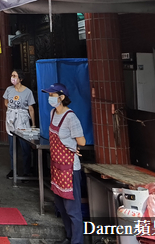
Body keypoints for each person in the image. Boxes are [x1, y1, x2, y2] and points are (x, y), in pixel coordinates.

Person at [43, 83, 85, 244]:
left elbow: (81, 140)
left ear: (61, 98)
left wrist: (74, 148)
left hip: (70, 168)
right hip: (57, 167)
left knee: (72, 209)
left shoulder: (71, 117)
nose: (50, 98)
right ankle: (69, 237)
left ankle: (77, 241)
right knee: (60, 205)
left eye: (52, 95)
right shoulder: (53, 113)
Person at [3, 69, 35, 179]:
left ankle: (26, 171)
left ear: (20, 79)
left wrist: (33, 124)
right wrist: (11, 109)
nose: (12, 77)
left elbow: (31, 108)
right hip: (12, 119)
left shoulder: (28, 92)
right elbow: (5, 102)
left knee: (25, 146)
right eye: (12, 75)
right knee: (12, 147)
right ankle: (13, 169)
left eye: (15, 76)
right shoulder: (9, 89)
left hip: (23, 120)